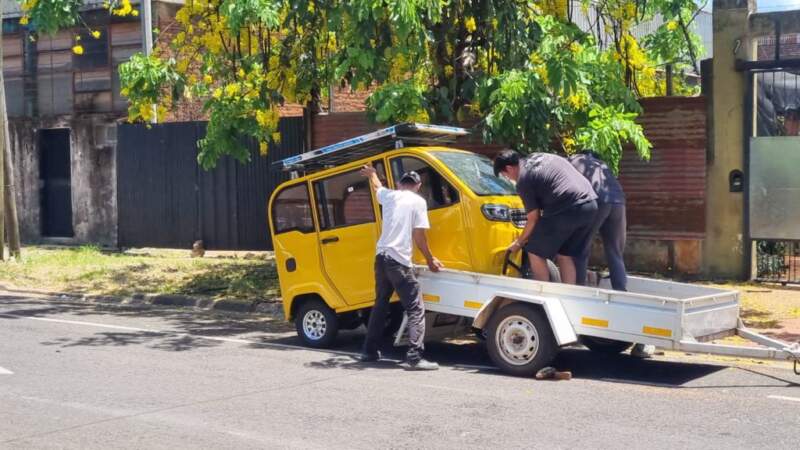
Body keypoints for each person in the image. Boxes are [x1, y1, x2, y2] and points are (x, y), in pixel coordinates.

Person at [569, 150, 654, 358]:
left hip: (597, 199)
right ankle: (621, 294)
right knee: (615, 252)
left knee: (581, 249)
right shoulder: (601, 165)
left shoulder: (573, 161)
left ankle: (578, 295)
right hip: (618, 201)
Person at [358, 164, 443, 370]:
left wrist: (373, 174)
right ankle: (414, 356)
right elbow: (419, 235)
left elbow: (378, 188)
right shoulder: (418, 201)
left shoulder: (390, 196)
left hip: (381, 257)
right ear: (418, 185)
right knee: (415, 307)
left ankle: (368, 351)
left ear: (399, 184)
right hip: (398, 261)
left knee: (380, 304)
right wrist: (431, 260)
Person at [493, 150, 598, 284]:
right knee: (565, 254)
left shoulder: (523, 179)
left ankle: (542, 292)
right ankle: (567, 294)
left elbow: (533, 217)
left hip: (567, 207)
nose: (508, 179)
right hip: (590, 205)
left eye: (504, 175)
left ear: (509, 168)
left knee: (534, 250)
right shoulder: (538, 157)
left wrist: (519, 242)